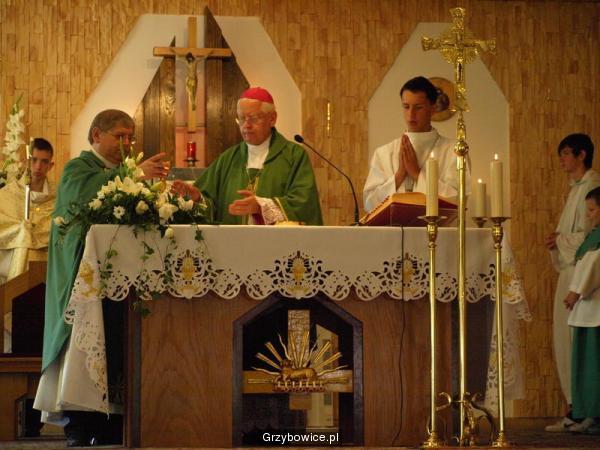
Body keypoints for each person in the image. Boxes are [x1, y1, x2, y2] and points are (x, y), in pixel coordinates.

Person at [33, 109, 169, 447]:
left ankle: (111, 422)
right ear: (96, 135)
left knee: (117, 344)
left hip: (121, 280)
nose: (126, 144)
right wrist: (135, 173)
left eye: (130, 137)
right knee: (83, 341)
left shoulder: (126, 171)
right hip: (83, 276)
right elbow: (85, 198)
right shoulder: (78, 169)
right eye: (119, 136)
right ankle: (78, 423)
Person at [173, 87, 323, 225]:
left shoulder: (294, 156)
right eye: (241, 118)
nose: (246, 125)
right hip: (232, 243)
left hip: (277, 245)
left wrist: (261, 207)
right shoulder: (228, 159)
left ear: (272, 118)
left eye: (253, 118)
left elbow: (304, 205)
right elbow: (211, 207)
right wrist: (198, 198)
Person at [545, 133, 600, 432]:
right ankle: (574, 407)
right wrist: (557, 240)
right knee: (563, 340)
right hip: (570, 270)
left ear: (582, 155)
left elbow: (591, 236)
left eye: (567, 153)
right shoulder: (575, 188)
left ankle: (583, 409)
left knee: (576, 341)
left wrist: (561, 240)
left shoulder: (592, 186)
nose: (562, 159)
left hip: (583, 275)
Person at [363, 76, 466, 213]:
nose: (411, 115)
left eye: (418, 107)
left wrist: (417, 173)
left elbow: (457, 201)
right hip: (393, 227)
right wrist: (399, 176)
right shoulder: (384, 153)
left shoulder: (455, 152)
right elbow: (369, 204)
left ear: (433, 108)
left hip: (436, 227)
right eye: (406, 107)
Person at [562, 186, 600, 435]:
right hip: (587, 309)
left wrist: (576, 290)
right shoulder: (594, 235)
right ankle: (587, 412)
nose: (588, 215)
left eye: (592, 210)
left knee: (593, 365)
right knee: (584, 364)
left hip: (595, 307)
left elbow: (594, 265)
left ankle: (595, 414)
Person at [0, 138, 56, 284]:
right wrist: (19, 231)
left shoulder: (58, 198)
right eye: (34, 160)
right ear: (27, 161)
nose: (38, 166)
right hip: (11, 268)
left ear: (50, 165)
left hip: (46, 271)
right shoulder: (8, 194)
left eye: (44, 162)